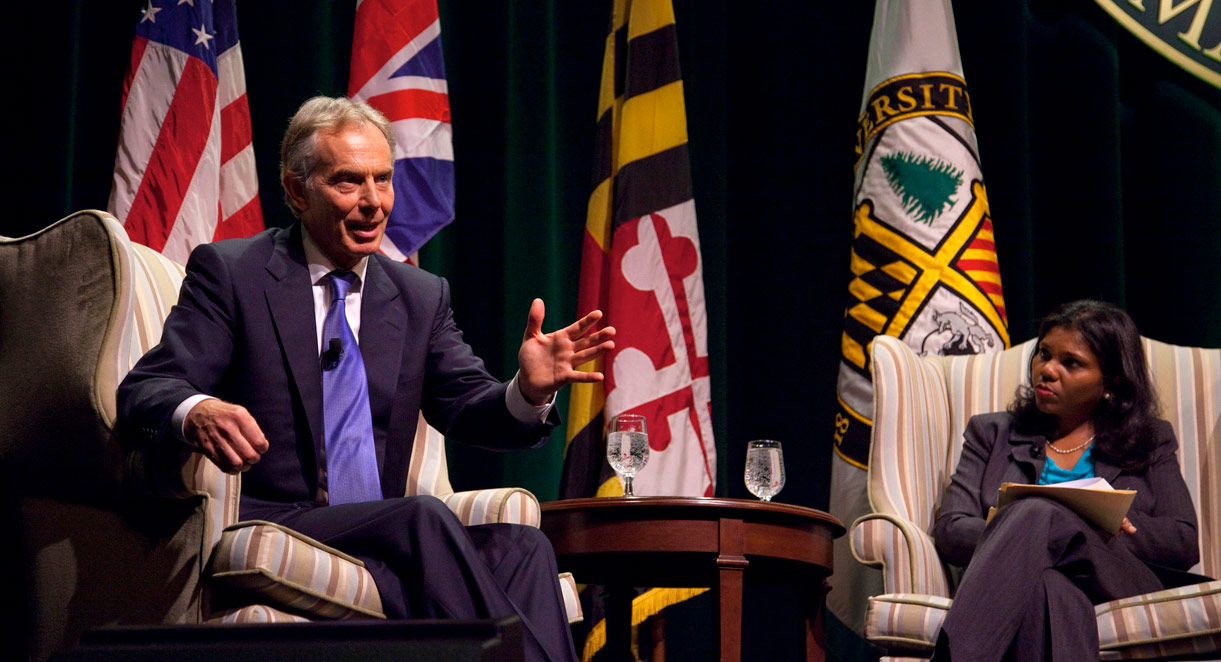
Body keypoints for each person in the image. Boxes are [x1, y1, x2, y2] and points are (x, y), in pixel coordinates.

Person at [116, 96, 615, 662]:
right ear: (297, 191)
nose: (374, 203)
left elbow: (467, 405)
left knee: (522, 547)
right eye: (349, 182)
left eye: (384, 180)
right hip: (280, 514)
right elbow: (145, 390)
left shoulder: (419, 295)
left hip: (385, 530)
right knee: (423, 517)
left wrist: (528, 392)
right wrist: (199, 409)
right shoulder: (234, 273)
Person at [930, 300, 1201, 661]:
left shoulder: (1150, 438)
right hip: (1030, 581)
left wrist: (1101, 524)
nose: (1047, 370)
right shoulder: (991, 432)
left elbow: (1182, 541)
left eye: (1070, 363)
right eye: (1043, 354)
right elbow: (951, 528)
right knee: (1049, 587)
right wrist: (1019, 533)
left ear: (1111, 381)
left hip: (1117, 576)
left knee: (1039, 514)